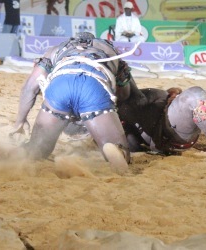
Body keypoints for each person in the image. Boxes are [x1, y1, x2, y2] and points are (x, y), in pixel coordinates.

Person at [9, 32, 146, 174]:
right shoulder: (109, 50)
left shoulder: (55, 50)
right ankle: (114, 148)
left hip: (60, 86)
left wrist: (20, 121)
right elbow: (125, 93)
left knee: (37, 151)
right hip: (93, 85)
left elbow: (29, 88)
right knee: (118, 151)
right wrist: (112, 111)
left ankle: (7, 155)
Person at [117, 87, 206, 161]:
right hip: (170, 136)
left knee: (202, 101)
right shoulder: (125, 117)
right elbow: (132, 145)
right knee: (197, 97)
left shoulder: (125, 108)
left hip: (171, 133)